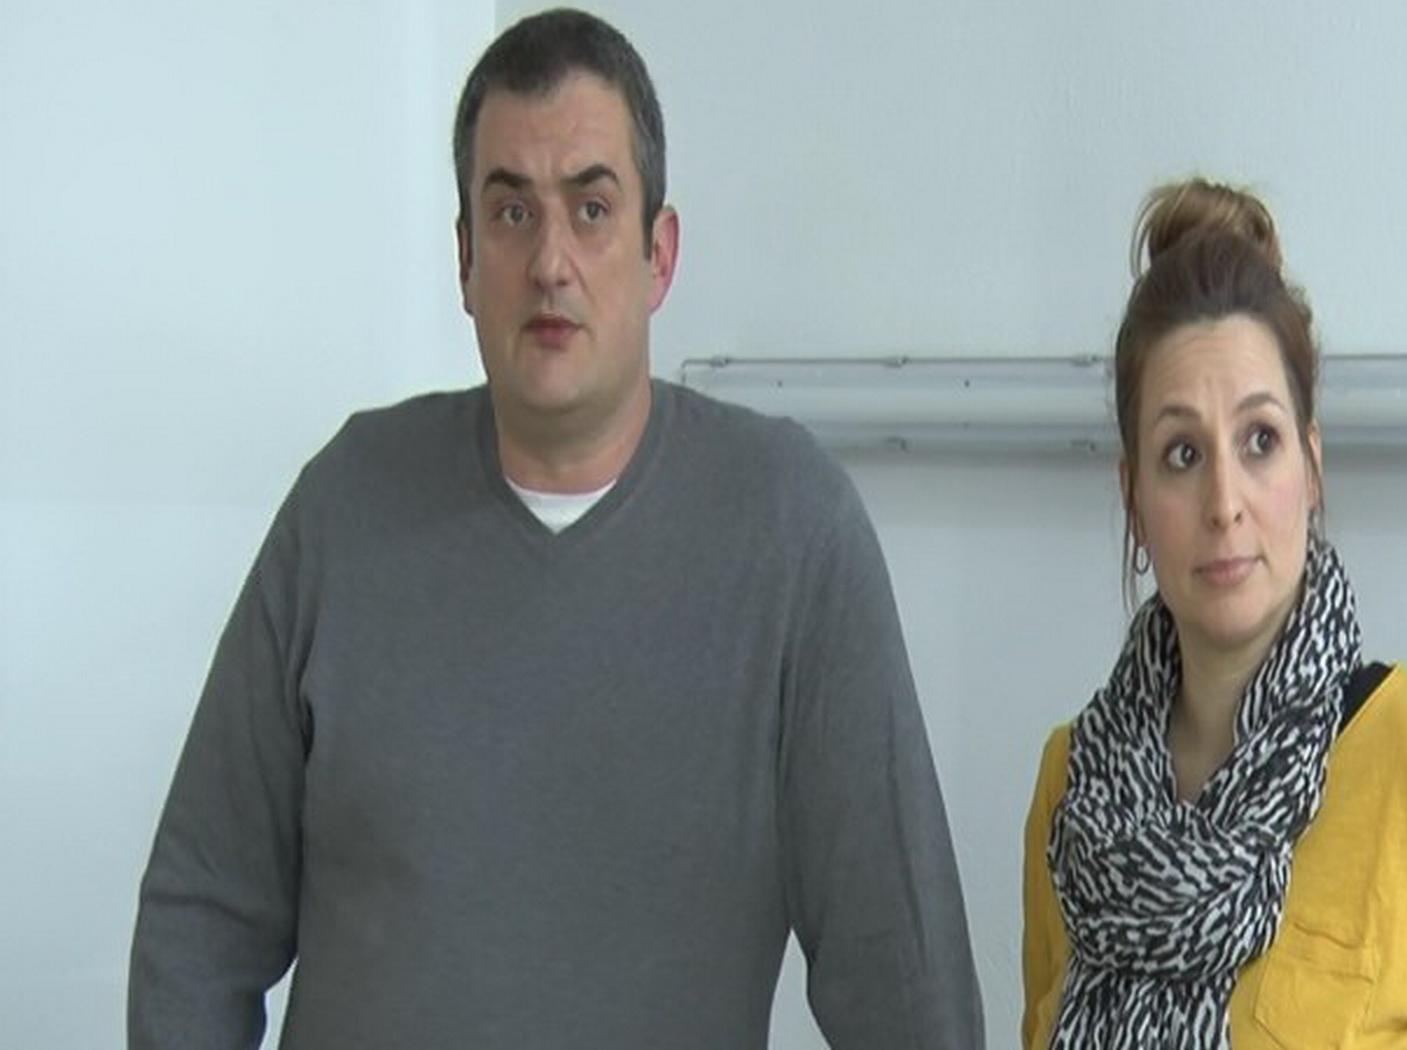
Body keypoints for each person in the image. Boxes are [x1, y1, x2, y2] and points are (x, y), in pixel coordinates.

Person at [129, 9, 982, 1048]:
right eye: (511, 212)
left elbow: (904, 980)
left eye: (591, 208)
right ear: (464, 259)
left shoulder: (792, 535)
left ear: (659, 254)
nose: (550, 261)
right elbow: (200, 918)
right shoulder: (343, 510)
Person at [1020, 178, 1407, 1048]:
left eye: (1260, 441)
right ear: (1133, 497)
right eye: (1182, 454)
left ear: (1312, 465)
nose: (1225, 503)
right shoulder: (1071, 790)